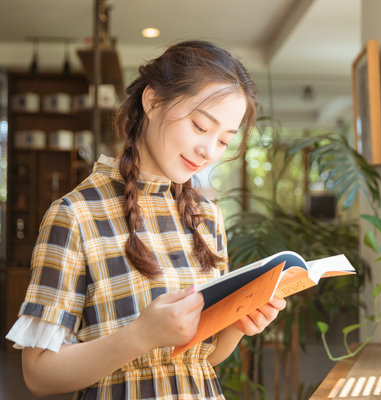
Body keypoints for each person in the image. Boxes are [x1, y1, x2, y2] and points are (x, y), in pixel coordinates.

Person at [5, 40, 286, 399]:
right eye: (200, 126)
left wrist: (237, 327)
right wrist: (140, 336)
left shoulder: (207, 218)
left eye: (223, 141)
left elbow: (202, 361)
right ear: (152, 101)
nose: (208, 151)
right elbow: (39, 374)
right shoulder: (75, 215)